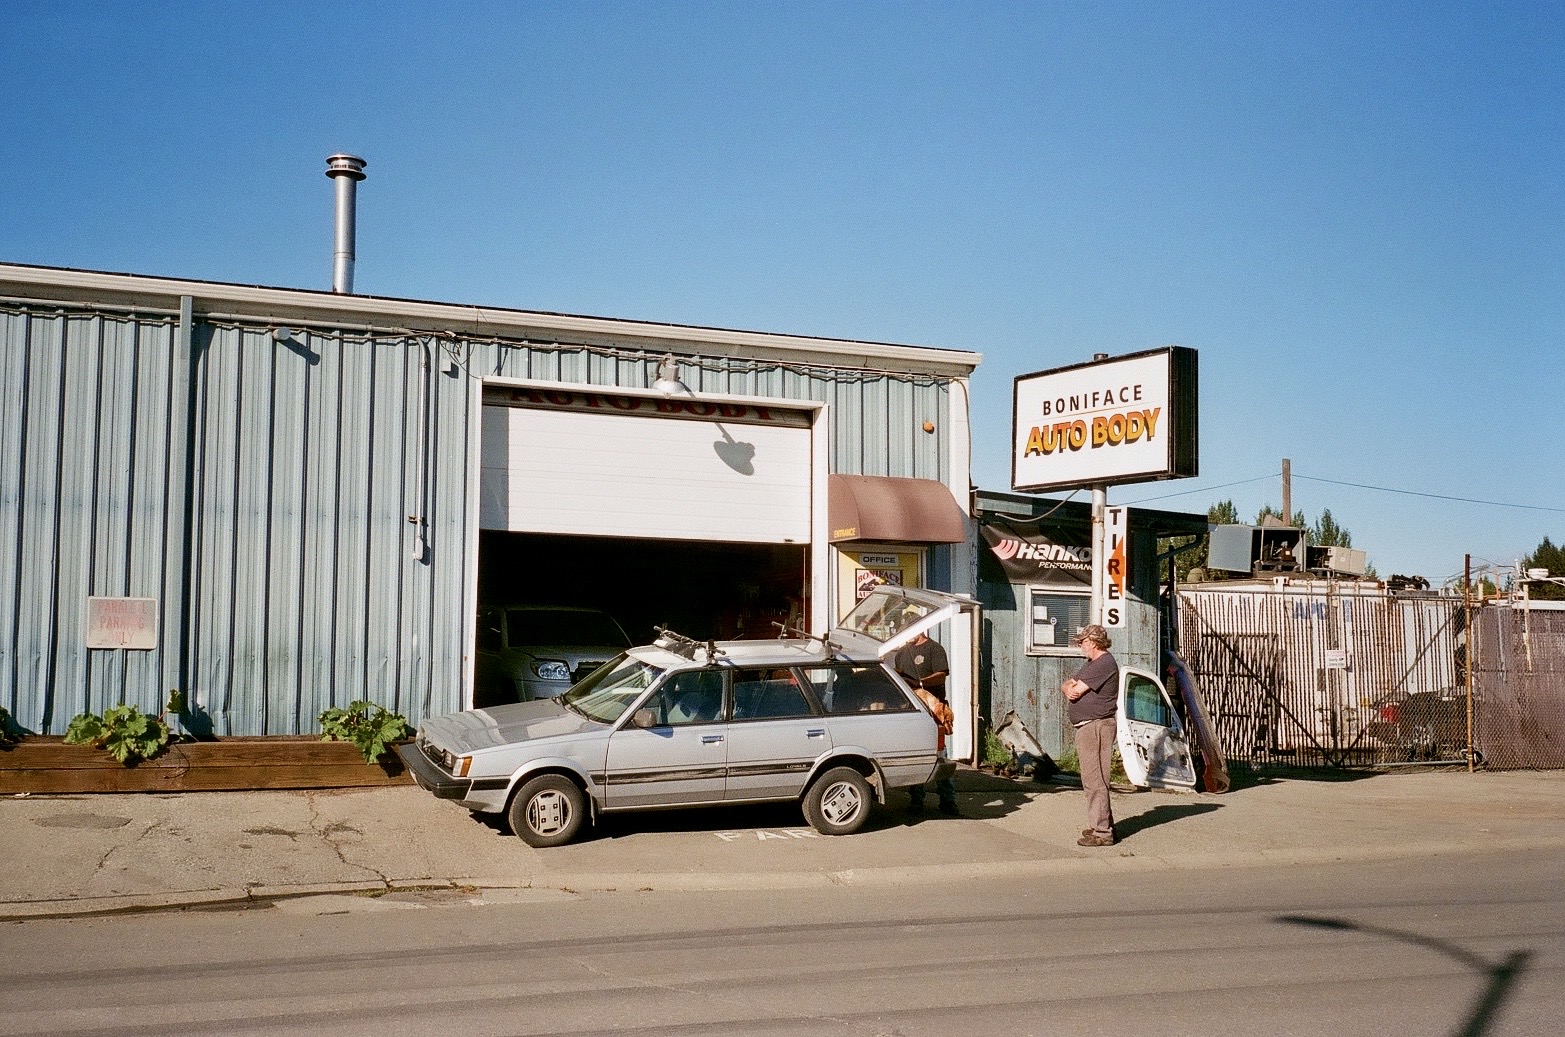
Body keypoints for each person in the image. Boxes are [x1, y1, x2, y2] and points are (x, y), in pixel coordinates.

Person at [1060, 624, 1119, 846]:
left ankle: (1102, 832)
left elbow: (1076, 690)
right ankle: (1103, 824)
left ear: (1093, 642)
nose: (1080, 646)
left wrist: (1070, 688)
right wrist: (1067, 687)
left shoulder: (1103, 663)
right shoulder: (1092, 664)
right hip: (1090, 726)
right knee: (1093, 779)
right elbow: (1067, 685)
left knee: (1095, 780)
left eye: (1082, 642)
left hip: (1096, 727)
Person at [896, 631, 958, 815]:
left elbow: (941, 675)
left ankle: (948, 800)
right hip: (911, 713)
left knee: (939, 755)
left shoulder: (934, 649)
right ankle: (916, 800)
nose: (906, 636)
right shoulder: (901, 653)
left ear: (920, 630)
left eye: (909, 631)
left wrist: (920, 682)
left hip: (934, 712)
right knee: (916, 755)